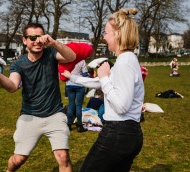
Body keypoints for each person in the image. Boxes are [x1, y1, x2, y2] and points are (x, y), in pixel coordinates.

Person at [62, 8, 144, 171]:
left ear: (118, 34)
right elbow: (98, 83)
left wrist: (105, 76)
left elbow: (122, 106)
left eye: (106, 33)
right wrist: (72, 77)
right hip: (128, 134)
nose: (104, 37)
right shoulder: (127, 59)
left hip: (119, 133)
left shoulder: (125, 62)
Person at [0, 22, 76, 172]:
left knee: (63, 156)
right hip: (30, 116)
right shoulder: (19, 64)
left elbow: (71, 57)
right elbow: (12, 86)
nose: (37, 41)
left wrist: (53, 42)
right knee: (18, 159)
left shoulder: (51, 54)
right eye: (33, 37)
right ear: (24, 40)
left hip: (55, 114)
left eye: (40, 37)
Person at [66, 60, 88, 132]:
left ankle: (69, 124)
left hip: (69, 84)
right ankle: (79, 125)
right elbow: (85, 74)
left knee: (71, 104)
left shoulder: (67, 59)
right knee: (79, 106)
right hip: (79, 84)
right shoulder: (82, 61)